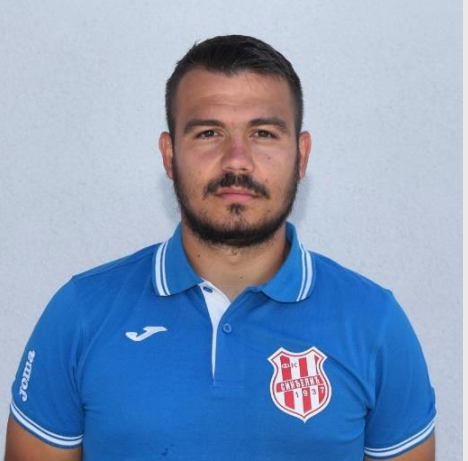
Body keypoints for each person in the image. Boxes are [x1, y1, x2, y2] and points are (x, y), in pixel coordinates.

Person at [4, 35, 436, 461]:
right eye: (209, 133)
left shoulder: (375, 323)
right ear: (169, 155)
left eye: (263, 133)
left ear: (301, 155)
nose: (236, 160)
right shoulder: (81, 313)